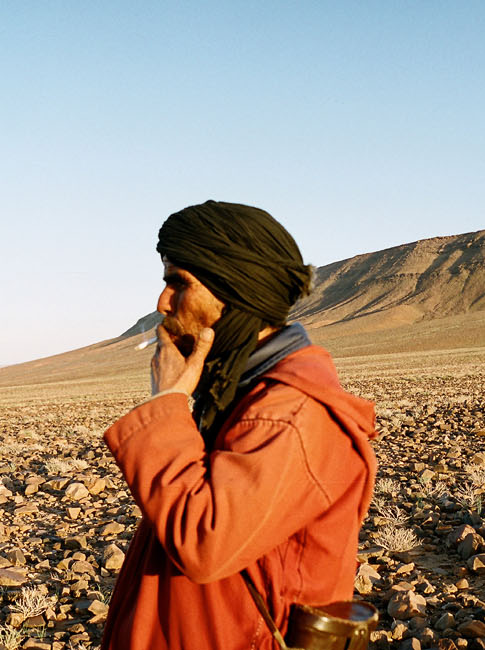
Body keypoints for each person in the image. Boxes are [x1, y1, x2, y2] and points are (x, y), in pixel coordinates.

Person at [102, 201, 378, 649]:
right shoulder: (239, 396)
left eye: (179, 283)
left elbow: (206, 543)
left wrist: (169, 402)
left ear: (234, 289)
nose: (162, 302)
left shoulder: (289, 414)